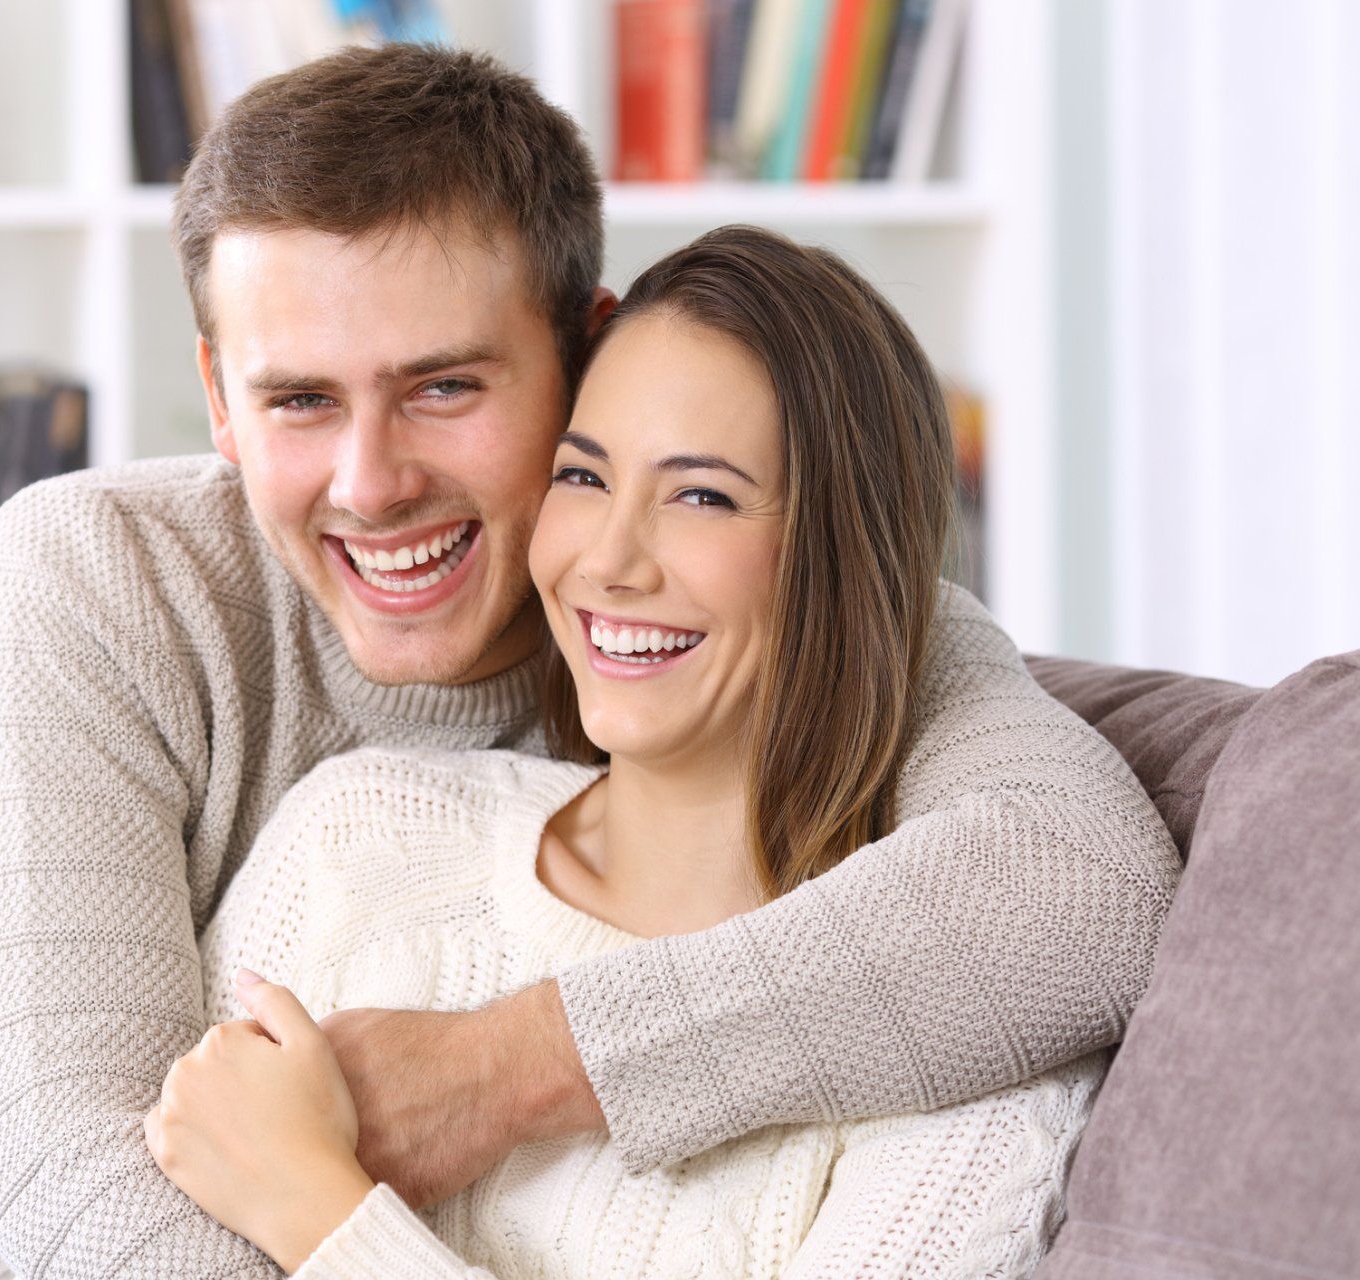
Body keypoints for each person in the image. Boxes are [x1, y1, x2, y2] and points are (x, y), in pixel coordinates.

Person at [0, 46, 1179, 1280]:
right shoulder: (103, 570)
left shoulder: (736, 619)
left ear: (583, 353)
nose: (371, 484)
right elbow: (81, 1201)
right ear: (217, 401)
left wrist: (502, 1068)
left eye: (445, 386)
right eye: (295, 402)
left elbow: (1083, 896)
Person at [142, 222, 1172, 1277]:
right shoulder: (360, 833)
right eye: (583, 477)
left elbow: (1102, 881)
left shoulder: (968, 1034)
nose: (609, 559)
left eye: (701, 495)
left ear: (840, 557)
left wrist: (326, 1219)